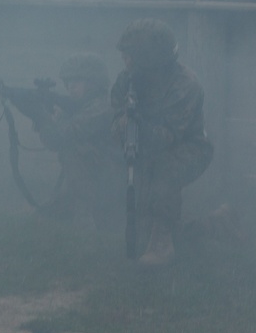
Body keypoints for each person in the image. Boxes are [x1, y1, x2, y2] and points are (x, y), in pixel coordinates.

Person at [111, 18, 213, 265]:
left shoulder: (185, 85)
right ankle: (216, 223)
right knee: (147, 216)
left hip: (188, 147)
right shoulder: (127, 79)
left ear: (150, 59)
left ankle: (162, 243)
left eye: (130, 56)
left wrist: (138, 123)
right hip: (147, 144)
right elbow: (114, 114)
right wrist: (123, 126)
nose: (125, 61)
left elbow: (165, 138)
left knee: (164, 172)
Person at [15, 53, 125, 230]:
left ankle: (86, 217)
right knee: (47, 215)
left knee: (73, 150)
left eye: (78, 81)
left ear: (94, 84)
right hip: (93, 181)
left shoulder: (102, 108)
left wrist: (41, 115)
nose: (71, 86)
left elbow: (60, 139)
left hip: (111, 184)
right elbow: (53, 141)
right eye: (68, 82)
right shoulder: (80, 107)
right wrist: (45, 115)